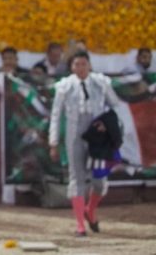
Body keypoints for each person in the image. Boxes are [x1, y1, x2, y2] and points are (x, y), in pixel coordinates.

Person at [48, 51, 120, 237]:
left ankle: (90, 210)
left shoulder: (101, 83)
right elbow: (56, 115)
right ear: (71, 67)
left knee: (99, 180)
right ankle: (80, 224)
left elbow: (116, 106)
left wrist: (108, 125)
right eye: (76, 64)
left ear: (89, 65)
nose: (80, 68)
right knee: (77, 178)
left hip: (98, 136)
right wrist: (53, 142)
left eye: (83, 64)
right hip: (74, 135)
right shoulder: (64, 86)